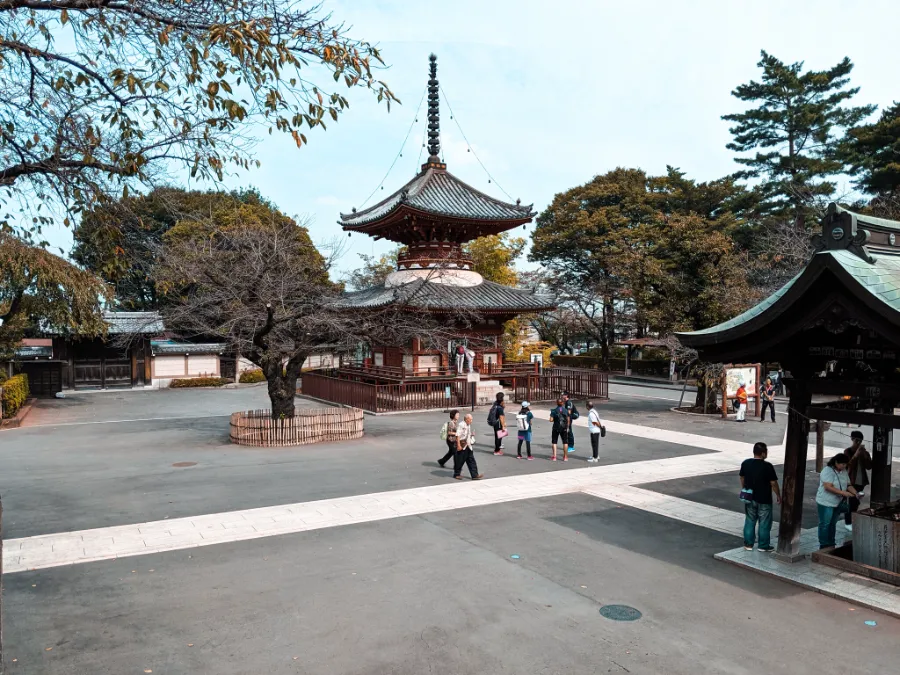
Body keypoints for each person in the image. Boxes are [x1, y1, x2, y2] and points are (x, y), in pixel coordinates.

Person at [739, 442, 781, 552]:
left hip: (749, 497)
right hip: (764, 498)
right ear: (763, 453)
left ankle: (748, 544)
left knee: (749, 520)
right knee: (764, 523)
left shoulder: (746, 463)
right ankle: (763, 545)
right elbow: (773, 483)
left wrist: (744, 488)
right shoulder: (767, 466)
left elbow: (742, 478)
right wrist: (778, 495)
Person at [816, 453, 855, 549]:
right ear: (836, 462)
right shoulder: (827, 471)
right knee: (825, 524)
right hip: (826, 502)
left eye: (845, 464)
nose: (844, 466)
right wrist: (843, 493)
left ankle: (831, 542)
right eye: (842, 464)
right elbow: (828, 487)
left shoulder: (844, 471)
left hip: (837, 502)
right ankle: (824, 544)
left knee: (832, 524)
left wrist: (856, 493)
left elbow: (848, 485)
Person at [844, 430, 872, 532]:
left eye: (860, 440)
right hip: (851, 481)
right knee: (851, 502)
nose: (858, 442)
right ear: (852, 439)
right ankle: (848, 522)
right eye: (856, 440)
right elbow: (848, 465)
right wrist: (856, 454)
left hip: (861, 482)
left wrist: (864, 454)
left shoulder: (864, 452)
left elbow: (869, 466)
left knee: (855, 502)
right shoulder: (848, 451)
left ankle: (851, 521)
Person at [454, 413, 483, 480]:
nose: (471, 421)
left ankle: (474, 475)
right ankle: (456, 474)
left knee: (471, 460)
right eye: (470, 419)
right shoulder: (461, 425)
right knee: (460, 460)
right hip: (462, 445)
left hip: (467, 445)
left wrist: (471, 435)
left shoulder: (468, 425)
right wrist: (458, 445)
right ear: (467, 419)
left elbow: (467, 434)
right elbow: (457, 435)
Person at [549, 397, 569, 461]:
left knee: (554, 442)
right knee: (565, 442)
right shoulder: (565, 410)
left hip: (556, 427)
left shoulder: (554, 411)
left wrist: (555, 419)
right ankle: (565, 457)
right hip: (564, 428)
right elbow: (568, 419)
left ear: (556, 403)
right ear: (562, 403)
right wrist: (567, 426)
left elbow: (551, 420)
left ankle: (554, 456)